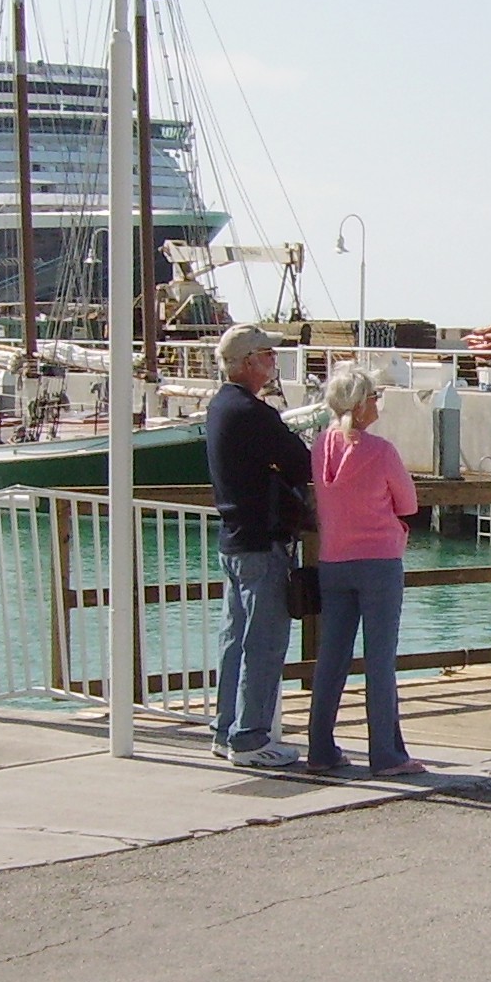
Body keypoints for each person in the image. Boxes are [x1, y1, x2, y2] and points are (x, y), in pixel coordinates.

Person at [205, 323, 314, 768]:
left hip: (232, 539)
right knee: (264, 640)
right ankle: (250, 738)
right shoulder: (254, 413)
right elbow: (301, 461)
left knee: (234, 638)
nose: (274, 363)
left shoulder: (219, 407)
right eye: (268, 356)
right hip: (261, 543)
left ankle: (224, 727)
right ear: (248, 362)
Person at [306, 364, 421, 776]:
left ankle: (320, 748)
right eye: (373, 396)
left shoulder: (321, 446)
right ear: (359, 403)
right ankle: (386, 753)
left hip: (334, 560)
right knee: (380, 659)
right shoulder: (381, 451)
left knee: (331, 657)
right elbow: (407, 503)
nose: (378, 403)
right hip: (378, 561)